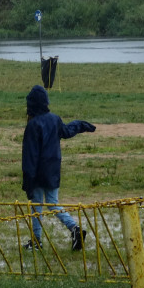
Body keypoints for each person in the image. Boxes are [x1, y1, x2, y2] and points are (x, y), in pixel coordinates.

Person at [21, 84, 95, 251]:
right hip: (53, 169)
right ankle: (74, 228)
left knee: (36, 206)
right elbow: (67, 131)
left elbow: (30, 156)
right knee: (53, 203)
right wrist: (81, 124)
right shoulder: (55, 119)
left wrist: (28, 180)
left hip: (38, 173)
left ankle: (36, 241)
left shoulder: (33, 125)